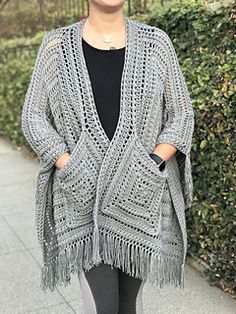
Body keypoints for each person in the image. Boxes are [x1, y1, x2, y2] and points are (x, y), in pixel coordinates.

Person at [21, 0, 195, 313]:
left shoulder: (156, 44)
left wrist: (151, 163)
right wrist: (68, 164)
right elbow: (33, 116)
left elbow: (181, 114)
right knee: (103, 307)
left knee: (129, 305)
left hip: (140, 200)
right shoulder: (56, 46)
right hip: (83, 200)